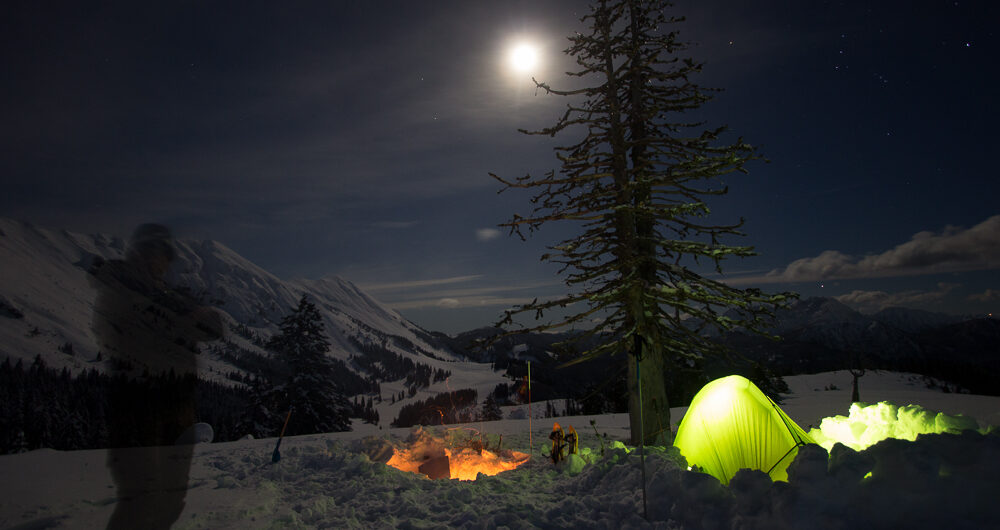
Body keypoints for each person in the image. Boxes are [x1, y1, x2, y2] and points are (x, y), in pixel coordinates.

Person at [89, 223, 222, 529]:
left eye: (163, 256)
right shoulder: (119, 286)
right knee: (141, 499)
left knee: (171, 497)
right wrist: (183, 317)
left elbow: (214, 328)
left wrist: (188, 314)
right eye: (151, 253)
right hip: (139, 404)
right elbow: (129, 337)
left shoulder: (162, 293)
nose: (158, 261)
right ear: (137, 253)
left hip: (176, 407)